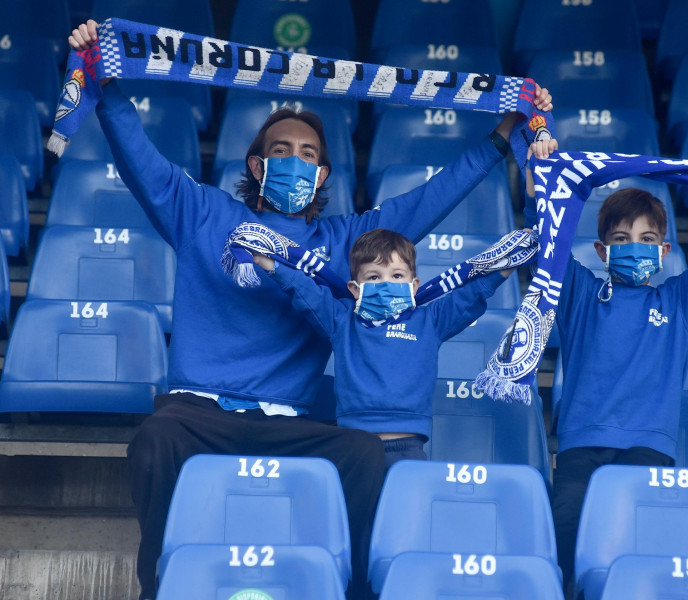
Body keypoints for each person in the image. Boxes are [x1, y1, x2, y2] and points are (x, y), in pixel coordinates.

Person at [67, 20, 553, 600]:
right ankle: (161, 587)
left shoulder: (346, 242)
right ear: (257, 166)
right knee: (154, 440)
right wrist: (103, 75)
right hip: (197, 415)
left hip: (288, 422)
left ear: (323, 174)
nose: (295, 162)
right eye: (281, 152)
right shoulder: (200, 212)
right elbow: (139, 158)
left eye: (308, 155)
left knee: (364, 456)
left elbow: (430, 198)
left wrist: (502, 136)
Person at [522, 156, 688, 595]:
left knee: (632, 558)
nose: (633, 246)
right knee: (566, 542)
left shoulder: (681, 301)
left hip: (648, 451)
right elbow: (545, 246)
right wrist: (537, 193)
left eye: (646, 238)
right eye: (621, 238)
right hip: (582, 449)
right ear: (602, 251)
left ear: (664, 251)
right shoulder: (581, 294)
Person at [250, 228, 519, 471]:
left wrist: (510, 264)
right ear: (355, 289)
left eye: (397, 275)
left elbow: (471, 295)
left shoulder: (431, 321)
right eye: (375, 277)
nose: (387, 284)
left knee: (403, 524)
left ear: (414, 286)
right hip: (352, 447)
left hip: (408, 450)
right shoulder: (341, 320)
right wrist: (270, 264)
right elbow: (304, 291)